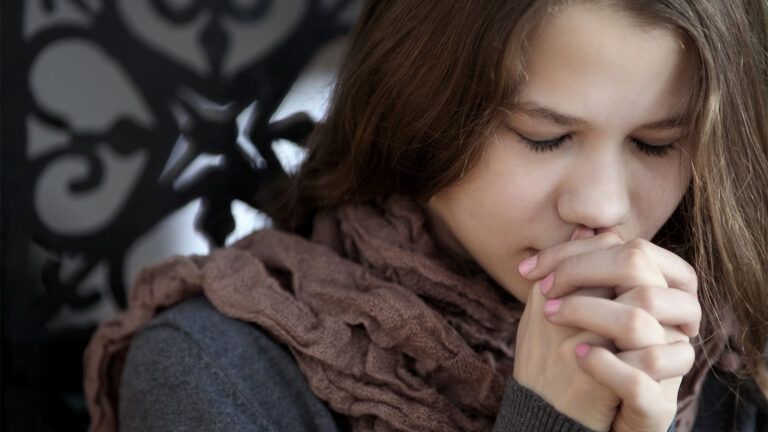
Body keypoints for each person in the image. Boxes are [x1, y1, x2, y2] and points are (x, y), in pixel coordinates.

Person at [83, 0, 768, 431]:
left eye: (657, 144)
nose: (603, 208)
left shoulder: (727, 356)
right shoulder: (214, 370)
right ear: (420, 112)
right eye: (544, 135)